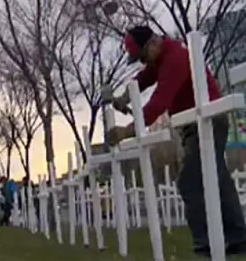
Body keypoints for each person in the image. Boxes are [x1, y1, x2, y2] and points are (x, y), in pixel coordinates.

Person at [105, 25, 246, 257]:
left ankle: (205, 244)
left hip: (209, 121)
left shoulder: (175, 58)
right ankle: (237, 238)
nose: (143, 62)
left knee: (190, 181)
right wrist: (123, 97)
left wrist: (127, 131)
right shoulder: (160, 58)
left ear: (152, 43)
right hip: (192, 126)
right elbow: (144, 78)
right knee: (217, 178)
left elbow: (161, 100)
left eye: (142, 56)